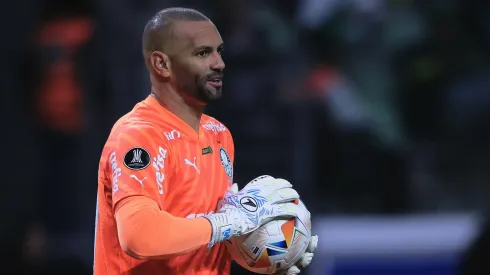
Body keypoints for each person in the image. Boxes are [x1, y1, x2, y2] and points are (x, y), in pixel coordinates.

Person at [93, 7, 317, 275]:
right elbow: (138, 235)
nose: (219, 63)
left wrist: (269, 248)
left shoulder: (219, 134)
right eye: (202, 53)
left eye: (219, 51)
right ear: (162, 64)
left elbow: (203, 236)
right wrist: (226, 222)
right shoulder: (139, 134)